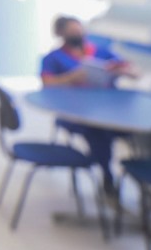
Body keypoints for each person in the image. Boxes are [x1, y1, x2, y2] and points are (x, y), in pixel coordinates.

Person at [40, 15, 134, 193]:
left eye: (79, 29)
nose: (78, 33)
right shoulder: (54, 58)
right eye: (72, 31)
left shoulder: (101, 52)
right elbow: (46, 83)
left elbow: (130, 69)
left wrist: (124, 71)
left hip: (109, 108)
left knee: (120, 129)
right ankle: (106, 174)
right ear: (61, 34)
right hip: (75, 112)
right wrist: (70, 78)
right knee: (98, 131)